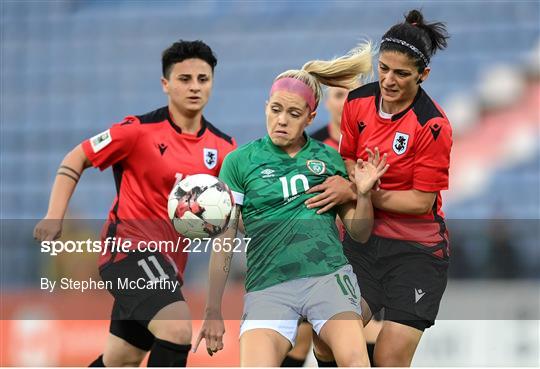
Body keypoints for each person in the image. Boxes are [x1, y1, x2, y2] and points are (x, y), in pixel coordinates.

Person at [33, 40, 237, 367]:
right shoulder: (137, 132)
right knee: (178, 327)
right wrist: (54, 215)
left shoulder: (224, 148)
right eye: (185, 79)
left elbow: (231, 216)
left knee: (121, 359)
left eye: (204, 79)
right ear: (165, 84)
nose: (195, 87)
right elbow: (77, 157)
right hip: (127, 252)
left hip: (169, 267)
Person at [194, 42, 386, 366]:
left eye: (294, 113)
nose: (281, 120)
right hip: (268, 286)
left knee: (356, 360)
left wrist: (363, 193)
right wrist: (212, 309)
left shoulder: (329, 159)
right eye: (275, 109)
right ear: (266, 105)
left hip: (328, 278)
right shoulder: (239, 162)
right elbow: (225, 242)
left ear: (310, 116)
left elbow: (360, 233)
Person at [305, 9, 452, 366]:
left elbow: (421, 202)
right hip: (364, 247)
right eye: (383, 68)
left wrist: (365, 191)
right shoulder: (357, 103)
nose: (388, 80)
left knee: (388, 359)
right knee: (327, 341)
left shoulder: (433, 125)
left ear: (423, 75)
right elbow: (350, 160)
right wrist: (360, 179)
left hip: (417, 254)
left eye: (401, 73)